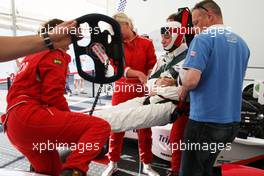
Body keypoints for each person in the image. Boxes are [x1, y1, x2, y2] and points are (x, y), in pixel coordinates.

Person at [0, 19, 110, 176]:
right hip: (29, 118)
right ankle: (75, 170)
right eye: (69, 39)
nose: (69, 45)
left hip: (12, 125)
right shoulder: (55, 53)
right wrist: (70, 118)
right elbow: (52, 95)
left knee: (51, 171)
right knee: (99, 128)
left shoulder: (31, 55)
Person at [178, 1, 250, 176]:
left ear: (209, 16)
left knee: (191, 171)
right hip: (231, 123)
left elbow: (192, 80)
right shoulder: (242, 44)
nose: (194, 29)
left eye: (195, 23)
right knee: (205, 168)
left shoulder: (203, 39)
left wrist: (183, 86)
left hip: (205, 121)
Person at [102, 12, 158, 176]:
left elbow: (152, 64)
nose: (115, 32)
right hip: (122, 89)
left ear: (128, 24)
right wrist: (137, 74)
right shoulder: (114, 44)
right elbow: (118, 68)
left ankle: (147, 164)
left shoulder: (146, 43)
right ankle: (112, 162)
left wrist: (150, 76)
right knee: (116, 127)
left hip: (142, 90)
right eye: (113, 29)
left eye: (117, 27)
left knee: (145, 127)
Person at [0, 20, 77, 62]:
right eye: (68, 44)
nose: (68, 48)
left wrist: (49, 38)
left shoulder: (31, 55)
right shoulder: (55, 56)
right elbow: (54, 89)